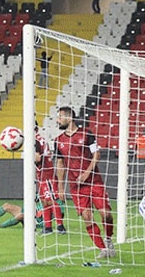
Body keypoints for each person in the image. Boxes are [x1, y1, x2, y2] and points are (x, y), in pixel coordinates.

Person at [55, 106, 115, 259]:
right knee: (87, 217)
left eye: (60, 117)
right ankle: (102, 249)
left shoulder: (86, 134)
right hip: (76, 187)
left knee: (106, 214)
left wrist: (86, 173)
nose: (57, 120)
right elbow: (60, 164)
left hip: (94, 181)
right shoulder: (58, 141)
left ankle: (108, 239)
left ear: (69, 118)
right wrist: (60, 187)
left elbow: (97, 155)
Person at [35, 120, 66, 234]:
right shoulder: (39, 139)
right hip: (42, 175)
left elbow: (37, 158)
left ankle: (60, 226)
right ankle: (47, 227)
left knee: (52, 200)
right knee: (44, 201)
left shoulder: (35, 141)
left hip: (46, 175)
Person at [0, 199, 65, 229]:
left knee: (20, 216)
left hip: (38, 221)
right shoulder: (44, 190)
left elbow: (61, 215)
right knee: (7, 206)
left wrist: (45, 214)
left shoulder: (58, 200)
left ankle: (0, 226)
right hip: (30, 211)